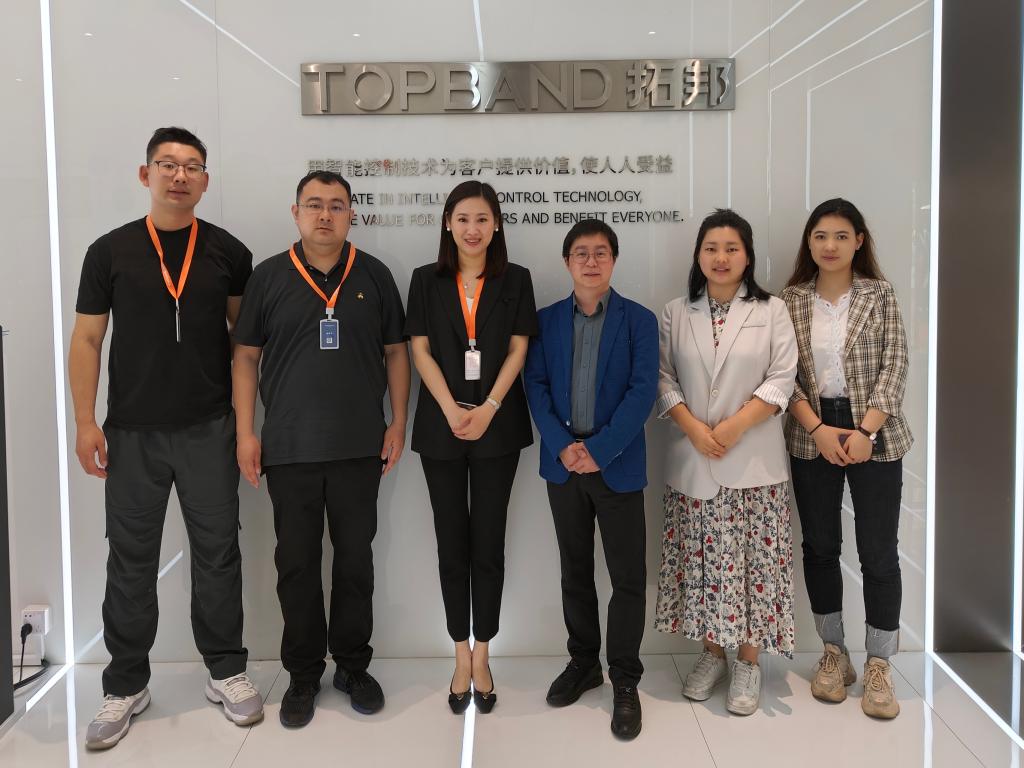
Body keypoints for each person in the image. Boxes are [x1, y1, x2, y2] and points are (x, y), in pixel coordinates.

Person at [70, 127, 263, 750]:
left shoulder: (228, 253)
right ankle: (126, 683)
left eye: (192, 166)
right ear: (145, 174)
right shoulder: (109, 252)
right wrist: (85, 421)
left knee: (218, 554)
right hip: (131, 433)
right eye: (167, 164)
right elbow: (88, 339)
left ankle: (226, 669)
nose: (180, 175)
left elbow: (246, 345)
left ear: (205, 180)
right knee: (130, 559)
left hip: (209, 428)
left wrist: (246, 426)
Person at [232, 170, 410, 727]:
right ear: (296, 213)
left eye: (336, 205)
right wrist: (246, 432)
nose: (325, 214)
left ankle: (353, 667)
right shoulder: (268, 277)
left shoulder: (374, 275)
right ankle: (304, 673)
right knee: (297, 565)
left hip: (359, 446)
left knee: (355, 562)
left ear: (352, 214)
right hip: (289, 448)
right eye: (314, 204)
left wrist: (398, 422)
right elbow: (245, 357)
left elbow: (397, 352)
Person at [653, 209, 798, 716]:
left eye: (732, 248)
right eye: (711, 248)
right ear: (698, 255)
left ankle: (749, 663)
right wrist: (694, 428)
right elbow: (663, 378)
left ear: (747, 256)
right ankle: (712, 654)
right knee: (703, 563)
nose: (721, 257)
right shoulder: (676, 312)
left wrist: (735, 426)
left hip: (753, 461)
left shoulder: (772, 310)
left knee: (755, 564)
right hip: (694, 459)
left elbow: (782, 377)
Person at [405, 180, 537, 714]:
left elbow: (518, 348)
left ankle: (484, 653)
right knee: (450, 544)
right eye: (462, 219)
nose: (472, 229)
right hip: (441, 427)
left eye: (482, 218)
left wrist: (488, 409)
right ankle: (458, 654)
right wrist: (452, 409)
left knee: (488, 544)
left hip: (497, 427)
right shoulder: (425, 279)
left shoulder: (516, 279)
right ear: (448, 224)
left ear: (496, 224)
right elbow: (419, 350)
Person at [524, 219, 657, 740]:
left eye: (601, 252)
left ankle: (624, 679)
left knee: (627, 578)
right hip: (563, 465)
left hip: (616, 465)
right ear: (567, 262)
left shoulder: (639, 320)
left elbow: (642, 392)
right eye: (581, 253)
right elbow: (535, 386)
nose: (591, 261)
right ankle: (583, 663)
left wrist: (599, 451)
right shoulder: (546, 321)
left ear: (614, 260)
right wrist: (564, 445)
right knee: (574, 571)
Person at [781, 198, 912, 719]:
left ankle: (879, 663)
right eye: (820, 236)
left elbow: (896, 364)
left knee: (878, 551)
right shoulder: (791, 299)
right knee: (819, 546)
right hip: (812, 430)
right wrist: (817, 428)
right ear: (808, 243)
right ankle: (834, 653)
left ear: (859, 241)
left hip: (873, 430)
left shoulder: (879, 294)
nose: (829, 246)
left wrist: (865, 431)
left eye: (840, 236)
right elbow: (782, 371)